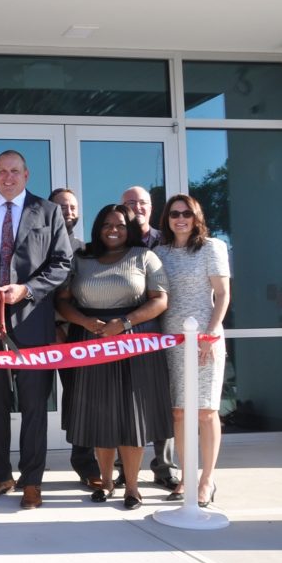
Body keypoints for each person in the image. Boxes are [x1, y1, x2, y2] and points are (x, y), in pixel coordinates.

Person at [0, 150, 72, 510]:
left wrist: (28, 289)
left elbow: (62, 263)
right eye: (2, 172)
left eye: (15, 171)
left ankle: (32, 480)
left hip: (33, 323)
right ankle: (0, 473)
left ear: (26, 174)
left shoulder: (49, 212)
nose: (9, 177)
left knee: (34, 405)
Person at [55, 204, 173, 510]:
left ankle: (132, 487)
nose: (113, 229)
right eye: (107, 224)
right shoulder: (82, 259)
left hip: (132, 343)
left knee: (131, 419)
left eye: (120, 224)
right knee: (100, 416)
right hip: (91, 341)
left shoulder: (145, 256)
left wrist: (125, 323)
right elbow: (63, 301)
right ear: (98, 227)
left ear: (129, 227)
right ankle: (106, 482)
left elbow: (160, 300)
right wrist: (83, 322)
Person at [156, 194, 230, 507]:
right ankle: (186, 477)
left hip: (204, 340)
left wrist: (209, 334)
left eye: (187, 213)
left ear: (196, 216)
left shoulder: (212, 248)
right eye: (175, 214)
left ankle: (206, 480)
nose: (181, 218)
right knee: (178, 411)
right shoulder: (159, 252)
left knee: (205, 410)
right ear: (168, 219)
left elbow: (223, 294)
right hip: (171, 340)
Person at [121, 185, 180, 490]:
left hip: (160, 329)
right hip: (122, 332)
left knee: (161, 398)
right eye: (130, 202)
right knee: (123, 397)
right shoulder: (114, 239)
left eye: (142, 202)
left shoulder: (167, 241)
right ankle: (124, 466)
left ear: (151, 207)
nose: (137, 207)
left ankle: (164, 465)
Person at [49, 187, 99, 488]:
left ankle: (85, 461)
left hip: (77, 335)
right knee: (32, 404)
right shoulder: (34, 244)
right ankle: (29, 471)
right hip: (42, 335)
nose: (68, 211)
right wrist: (51, 326)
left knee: (82, 400)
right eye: (62, 206)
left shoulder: (87, 250)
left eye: (72, 206)